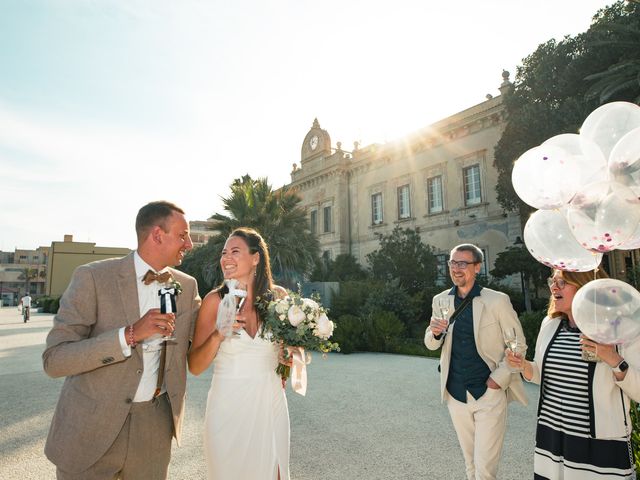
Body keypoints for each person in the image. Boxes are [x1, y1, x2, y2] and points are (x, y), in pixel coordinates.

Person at [43, 201, 201, 480]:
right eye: (183, 234)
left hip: (154, 429)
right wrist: (128, 335)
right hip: (91, 428)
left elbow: (207, 336)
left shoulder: (187, 286)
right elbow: (55, 360)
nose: (189, 243)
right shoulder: (92, 277)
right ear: (157, 234)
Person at [506, 268, 637, 479]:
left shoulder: (620, 330)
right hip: (552, 438)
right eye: (553, 281)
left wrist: (612, 357)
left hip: (599, 445)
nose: (553, 287)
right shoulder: (550, 324)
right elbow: (542, 375)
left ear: (586, 286)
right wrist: (523, 365)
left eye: (562, 282)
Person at [188, 227, 291, 480]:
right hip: (228, 407)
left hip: (271, 402)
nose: (226, 258)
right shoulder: (214, 301)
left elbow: (283, 363)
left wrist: (287, 359)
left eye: (235, 251)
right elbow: (195, 366)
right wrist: (218, 334)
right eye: (224, 253)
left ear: (256, 258)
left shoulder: (278, 298)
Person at [424, 243, 528, 480]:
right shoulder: (440, 300)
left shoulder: (497, 301)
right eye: (452, 263)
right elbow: (431, 343)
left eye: (463, 263)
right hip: (455, 393)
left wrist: (497, 380)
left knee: (484, 470)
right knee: (470, 464)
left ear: (477, 267)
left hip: (489, 393)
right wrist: (436, 333)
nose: (456, 268)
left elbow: (518, 344)